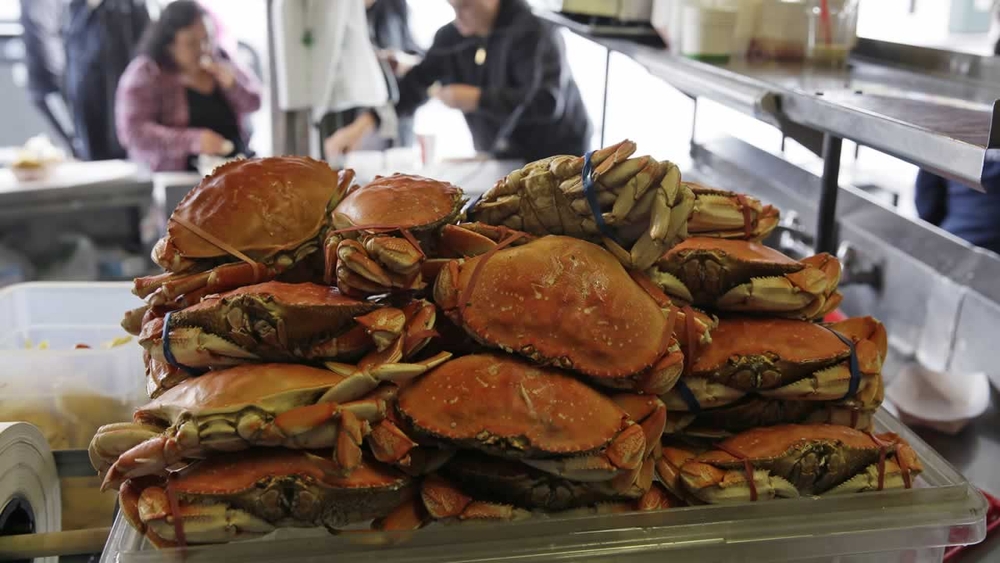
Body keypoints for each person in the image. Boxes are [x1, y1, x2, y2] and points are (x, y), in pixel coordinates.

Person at [324, 0, 592, 163]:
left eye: (465, 6)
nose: (458, 15)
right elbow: (416, 84)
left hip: (558, 154)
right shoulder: (452, 36)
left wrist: (476, 98)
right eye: (453, 7)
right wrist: (363, 125)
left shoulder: (535, 31)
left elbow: (545, 102)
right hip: (502, 158)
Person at [115, 1, 262, 172]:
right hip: (178, 175)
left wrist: (233, 86)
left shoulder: (221, 58)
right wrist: (194, 141)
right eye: (191, 43)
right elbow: (134, 134)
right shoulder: (147, 72)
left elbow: (255, 102)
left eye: (207, 39)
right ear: (169, 44)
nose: (203, 49)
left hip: (236, 168)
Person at [63, 0, 150, 161]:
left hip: (121, 100)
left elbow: (145, 53)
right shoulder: (77, 8)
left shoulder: (131, 7)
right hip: (88, 99)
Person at [18, 0, 76, 153]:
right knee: (78, 143)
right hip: (53, 82)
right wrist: (61, 78)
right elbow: (40, 32)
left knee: (78, 144)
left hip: (54, 77)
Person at [366, 0, 424, 147]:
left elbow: (423, 63)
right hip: (355, 121)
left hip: (397, 116)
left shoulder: (395, 5)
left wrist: (399, 61)